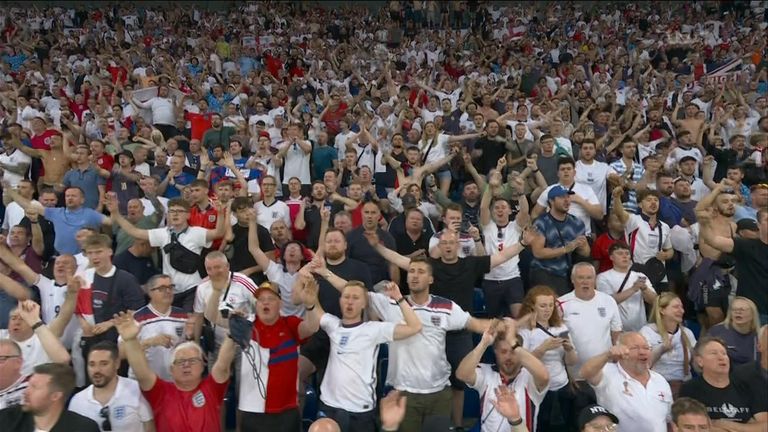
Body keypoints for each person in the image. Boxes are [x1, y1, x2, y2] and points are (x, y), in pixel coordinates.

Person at [313, 255, 493, 432]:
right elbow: (351, 291)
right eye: (411, 271)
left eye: (421, 271)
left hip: (439, 392)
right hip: (403, 393)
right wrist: (325, 272)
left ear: (431, 278)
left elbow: (476, 324)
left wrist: (505, 326)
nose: (414, 275)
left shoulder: (446, 307)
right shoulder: (390, 302)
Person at [317, 280, 422, 432]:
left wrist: (399, 298)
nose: (350, 301)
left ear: (365, 304)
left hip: (360, 410)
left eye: (355, 297)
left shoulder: (374, 330)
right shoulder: (332, 325)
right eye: (346, 297)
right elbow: (313, 308)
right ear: (340, 300)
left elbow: (415, 327)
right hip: (329, 406)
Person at [113, 307, 237, 432]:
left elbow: (223, 365)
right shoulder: (160, 392)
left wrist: (232, 334)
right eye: (180, 361)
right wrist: (130, 340)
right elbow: (142, 373)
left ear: (202, 365)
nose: (186, 365)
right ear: (171, 370)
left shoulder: (212, 388)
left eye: (193, 360)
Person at [107, 193, 227, 312]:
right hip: (171, 290)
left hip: (192, 288)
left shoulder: (196, 232)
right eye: (171, 211)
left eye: (179, 211)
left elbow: (219, 233)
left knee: (189, 324)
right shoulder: (162, 234)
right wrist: (116, 214)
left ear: (188, 215)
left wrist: (221, 214)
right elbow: (135, 232)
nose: (175, 214)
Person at [233, 277, 322, 432]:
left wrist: (310, 306)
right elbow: (214, 317)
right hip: (252, 411)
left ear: (280, 303)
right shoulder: (246, 327)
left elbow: (311, 328)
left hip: (286, 412)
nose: (265, 303)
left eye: (270, 299)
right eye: (261, 299)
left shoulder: (289, 324)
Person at [456, 318, 550, 432]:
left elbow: (544, 376)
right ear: (495, 351)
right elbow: (462, 374)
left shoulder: (529, 376)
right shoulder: (486, 372)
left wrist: (512, 341)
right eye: (504, 352)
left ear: (520, 350)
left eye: (513, 351)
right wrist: (483, 344)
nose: (508, 357)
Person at [580, 332, 673, 432]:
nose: (642, 352)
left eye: (646, 348)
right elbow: (585, 372)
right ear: (620, 351)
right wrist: (608, 355)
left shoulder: (660, 380)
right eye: (635, 348)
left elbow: (669, 420)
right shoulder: (608, 373)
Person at [518, 286, 579, 432]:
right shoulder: (525, 331)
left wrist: (569, 349)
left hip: (561, 385)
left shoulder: (560, 327)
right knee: (540, 426)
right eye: (543, 305)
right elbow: (522, 364)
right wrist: (542, 349)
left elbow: (571, 362)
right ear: (532, 307)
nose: (548, 309)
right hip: (537, 388)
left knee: (564, 427)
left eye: (551, 305)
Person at [679, 337, 768, 429]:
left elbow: (764, 427)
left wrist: (726, 425)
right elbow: (697, 428)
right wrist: (748, 426)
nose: (721, 357)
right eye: (714, 353)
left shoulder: (745, 386)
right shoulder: (690, 389)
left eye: (724, 353)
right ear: (700, 361)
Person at [698, 209, 768, 325]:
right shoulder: (746, 246)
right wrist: (704, 223)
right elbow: (713, 241)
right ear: (759, 225)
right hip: (752, 314)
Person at [69, 341, 154, 432]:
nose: (97, 370)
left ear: (117, 364)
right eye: (92, 364)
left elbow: (150, 427)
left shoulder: (135, 390)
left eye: (104, 364)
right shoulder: (77, 401)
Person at [120, 274, 190, 381]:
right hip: (144, 383)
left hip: (174, 383)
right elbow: (121, 353)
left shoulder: (182, 316)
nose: (168, 291)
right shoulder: (137, 317)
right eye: (162, 288)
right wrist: (150, 342)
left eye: (170, 287)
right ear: (150, 292)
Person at [0, 362, 99, 431]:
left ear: (55, 396)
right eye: (28, 385)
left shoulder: (83, 428)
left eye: (34, 387)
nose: (26, 392)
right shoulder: (7, 420)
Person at [529, 185, 591, 296]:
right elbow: (538, 252)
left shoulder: (577, 222)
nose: (567, 200)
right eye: (562, 197)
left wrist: (583, 246)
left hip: (564, 273)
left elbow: (585, 253)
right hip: (543, 270)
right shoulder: (541, 222)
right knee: (554, 302)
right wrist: (565, 249)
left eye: (568, 196)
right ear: (551, 201)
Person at [612, 187, 674, 290]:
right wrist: (617, 197)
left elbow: (670, 249)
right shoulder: (633, 220)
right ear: (640, 204)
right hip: (637, 272)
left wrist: (666, 255)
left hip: (659, 274)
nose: (653, 203)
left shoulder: (664, 227)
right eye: (649, 200)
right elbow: (619, 213)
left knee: (662, 304)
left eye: (656, 200)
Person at [640, 293, 696, 397]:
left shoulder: (687, 333)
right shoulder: (647, 332)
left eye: (682, 307)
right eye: (676, 307)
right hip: (659, 385)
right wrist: (661, 349)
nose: (681, 311)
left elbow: (696, 363)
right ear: (662, 310)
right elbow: (644, 365)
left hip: (684, 386)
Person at [596, 242, 657, 332]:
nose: (624, 256)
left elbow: (655, 300)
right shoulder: (603, 277)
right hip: (616, 330)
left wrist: (645, 289)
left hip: (641, 329)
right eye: (620, 253)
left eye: (627, 254)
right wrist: (633, 289)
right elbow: (607, 301)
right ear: (611, 257)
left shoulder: (640, 276)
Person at [707, 297, 761, 366]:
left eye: (742, 309)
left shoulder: (759, 335)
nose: (738, 312)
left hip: (752, 374)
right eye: (734, 309)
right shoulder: (716, 332)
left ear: (752, 314)